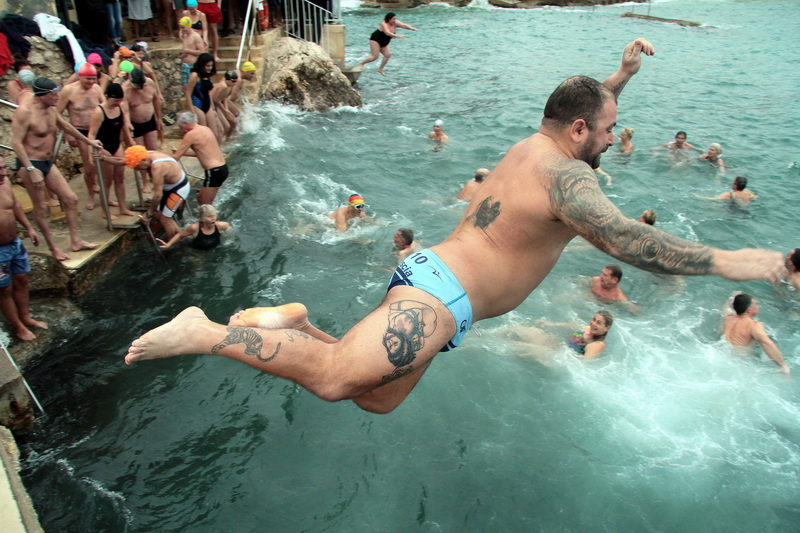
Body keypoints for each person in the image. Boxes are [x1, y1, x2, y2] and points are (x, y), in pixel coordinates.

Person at [126, 39, 786, 415]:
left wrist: (621, 77)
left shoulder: (542, 141)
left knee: (374, 401)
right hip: (438, 297)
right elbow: (627, 241)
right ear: (580, 130)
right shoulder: (569, 179)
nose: (614, 141)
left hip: (441, 287)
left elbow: (586, 110)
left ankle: (293, 323)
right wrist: (732, 262)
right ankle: (205, 330)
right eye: (608, 130)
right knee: (332, 378)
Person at [12, 78, 101, 262]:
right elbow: (16, 143)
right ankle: (53, 249)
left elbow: (67, 126)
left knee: (71, 198)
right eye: (53, 94)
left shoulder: (51, 110)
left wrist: (89, 141)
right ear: (42, 95)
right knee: (42, 207)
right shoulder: (25, 112)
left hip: (47, 162)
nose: (57, 97)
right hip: (30, 164)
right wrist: (30, 168)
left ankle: (76, 241)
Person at [0, 156, 46, 341]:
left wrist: (29, 227)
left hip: (15, 243)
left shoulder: (5, 183)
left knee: (22, 279)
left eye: (3, 168)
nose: (3, 173)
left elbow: (15, 206)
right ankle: (18, 326)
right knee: (5, 289)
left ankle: (26, 317)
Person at [104, 146, 190, 239]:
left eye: (137, 166)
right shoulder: (144, 155)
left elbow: (158, 195)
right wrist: (103, 158)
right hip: (167, 187)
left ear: (143, 160)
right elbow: (121, 161)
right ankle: (178, 237)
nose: (137, 169)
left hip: (178, 188)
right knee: (159, 215)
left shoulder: (158, 166)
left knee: (164, 218)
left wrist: (149, 214)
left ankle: (173, 245)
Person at [57, 63, 105, 210]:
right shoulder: (69, 91)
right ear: (80, 77)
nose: (91, 82)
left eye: (93, 79)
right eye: (88, 79)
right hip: (81, 131)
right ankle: (91, 194)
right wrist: (66, 131)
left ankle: (104, 195)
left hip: (98, 130)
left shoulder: (96, 89)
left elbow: (105, 107)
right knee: (89, 166)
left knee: (104, 164)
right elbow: (57, 113)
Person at [89, 83, 136, 219]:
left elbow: (124, 127)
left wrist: (130, 141)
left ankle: (122, 208)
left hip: (116, 145)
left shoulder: (119, 107)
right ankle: (105, 212)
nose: (118, 103)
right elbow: (91, 135)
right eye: (116, 100)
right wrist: (91, 152)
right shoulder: (99, 112)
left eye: (120, 100)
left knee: (120, 178)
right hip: (103, 148)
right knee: (106, 181)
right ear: (108, 97)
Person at [724, 293, 790, 375]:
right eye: (756, 304)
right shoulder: (753, 325)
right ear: (750, 310)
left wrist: (732, 297)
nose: (758, 306)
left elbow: (727, 307)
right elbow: (766, 343)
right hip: (741, 364)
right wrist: (783, 365)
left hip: (723, 356)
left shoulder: (728, 317)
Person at [172, 111, 228, 205]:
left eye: (182, 128)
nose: (183, 131)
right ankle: (203, 216)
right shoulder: (206, 129)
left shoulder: (190, 135)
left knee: (205, 204)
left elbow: (176, 157)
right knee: (200, 197)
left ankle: (211, 218)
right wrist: (185, 154)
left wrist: (160, 160)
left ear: (185, 123)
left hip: (213, 171)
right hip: (222, 168)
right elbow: (203, 153)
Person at [510, 310, 614, 359]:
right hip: (556, 343)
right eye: (594, 319)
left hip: (556, 354)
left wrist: (558, 357)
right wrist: (551, 324)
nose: (593, 323)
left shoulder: (597, 344)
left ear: (607, 328)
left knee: (518, 347)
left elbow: (583, 364)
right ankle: (494, 334)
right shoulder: (588, 329)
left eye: (598, 323)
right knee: (516, 329)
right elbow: (570, 325)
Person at [122, 68, 162, 192]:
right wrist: (128, 124)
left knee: (152, 151)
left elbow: (156, 100)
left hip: (150, 121)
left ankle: (154, 177)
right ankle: (145, 181)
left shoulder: (149, 83)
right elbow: (125, 111)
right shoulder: (125, 90)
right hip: (135, 124)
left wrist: (158, 118)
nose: (140, 89)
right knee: (140, 156)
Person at [156, 204, 231, 250]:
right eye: (209, 216)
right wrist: (168, 244)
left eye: (214, 215)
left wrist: (228, 236)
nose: (213, 218)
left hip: (214, 249)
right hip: (197, 251)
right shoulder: (194, 228)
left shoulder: (220, 225)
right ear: (202, 218)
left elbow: (228, 226)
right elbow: (180, 235)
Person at [184, 54, 220, 139]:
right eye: (207, 66)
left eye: (211, 66)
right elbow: (187, 93)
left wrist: (213, 108)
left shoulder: (206, 74)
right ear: (202, 64)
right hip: (197, 106)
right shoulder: (195, 76)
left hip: (207, 104)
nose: (210, 68)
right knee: (204, 134)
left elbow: (208, 93)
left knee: (214, 133)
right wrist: (192, 111)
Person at [179, 16, 207, 85]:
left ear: (188, 26)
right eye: (181, 27)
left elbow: (202, 52)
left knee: (194, 87)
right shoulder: (185, 36)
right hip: (185, 65)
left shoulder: (196, 37)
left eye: (183, 27)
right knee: (185, 87)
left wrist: (188, 51)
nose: (182, 29)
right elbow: (185, 50)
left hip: (193, 66)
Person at [211, 71, 238, 141]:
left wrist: (226, 109)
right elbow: (216, 100)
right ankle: (218, 143)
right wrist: (225, 111)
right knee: (224, 127)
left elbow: (225, 97)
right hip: (212, 106)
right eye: (233, 81)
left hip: (217, 105)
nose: (234, 83)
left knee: (230, 124)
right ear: (227, 79)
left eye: (236, 81)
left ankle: (226, 139)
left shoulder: (229, 85)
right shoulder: (223, 86)